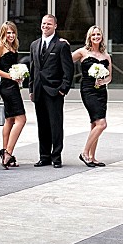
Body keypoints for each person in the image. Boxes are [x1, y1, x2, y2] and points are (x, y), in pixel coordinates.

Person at [28, 14, 74, 168]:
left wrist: (63, 89)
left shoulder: (61, 45)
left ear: (55, 26)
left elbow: (68, 70)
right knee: (42, 125)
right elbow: (33, 68)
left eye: (49, 24)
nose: (45, 26)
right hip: (39, 91)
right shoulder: (34, 45)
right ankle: (44, 156)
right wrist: (31, 88)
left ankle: (56, 157)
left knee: (55, 126)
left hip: (54, 91)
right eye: (43, 23)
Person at [71, 25, 112, 167]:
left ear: (101, 37)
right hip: (88, 90)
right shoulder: (83, 52)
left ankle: (92, 157)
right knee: (102, 124)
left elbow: (110, 77)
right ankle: (84, 153)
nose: (96, 37)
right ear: (89, 37)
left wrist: (103, 80)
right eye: (93, 35)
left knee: (95, 124)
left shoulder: (106, 56)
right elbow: (67, 61)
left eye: (98, 35)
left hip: (102, 91)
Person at [0, 21, 27, 169]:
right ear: (3, 33)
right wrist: (10, 76)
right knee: (21, 119)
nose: (11, 35)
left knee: (10, 120)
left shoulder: (13, 47)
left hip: (13, 86)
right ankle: (9, 153)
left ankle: (5, 153)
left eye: (13, 32)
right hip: (7, 87)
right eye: (8, 33)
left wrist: (19, 76)